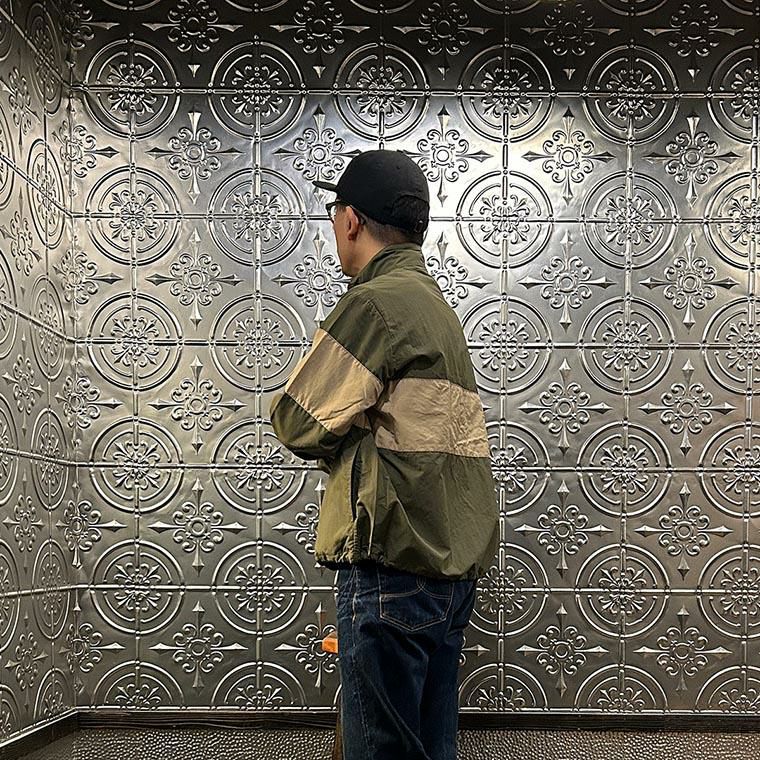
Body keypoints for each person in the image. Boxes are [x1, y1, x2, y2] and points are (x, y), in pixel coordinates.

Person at [269, 150, 499, 760]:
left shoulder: (374, 304)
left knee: (380, 749)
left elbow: (296, 421)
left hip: (391, 566)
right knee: (429, 746)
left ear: (350, 220)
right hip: (447, 569)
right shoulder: (436, 308)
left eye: (334, 213)